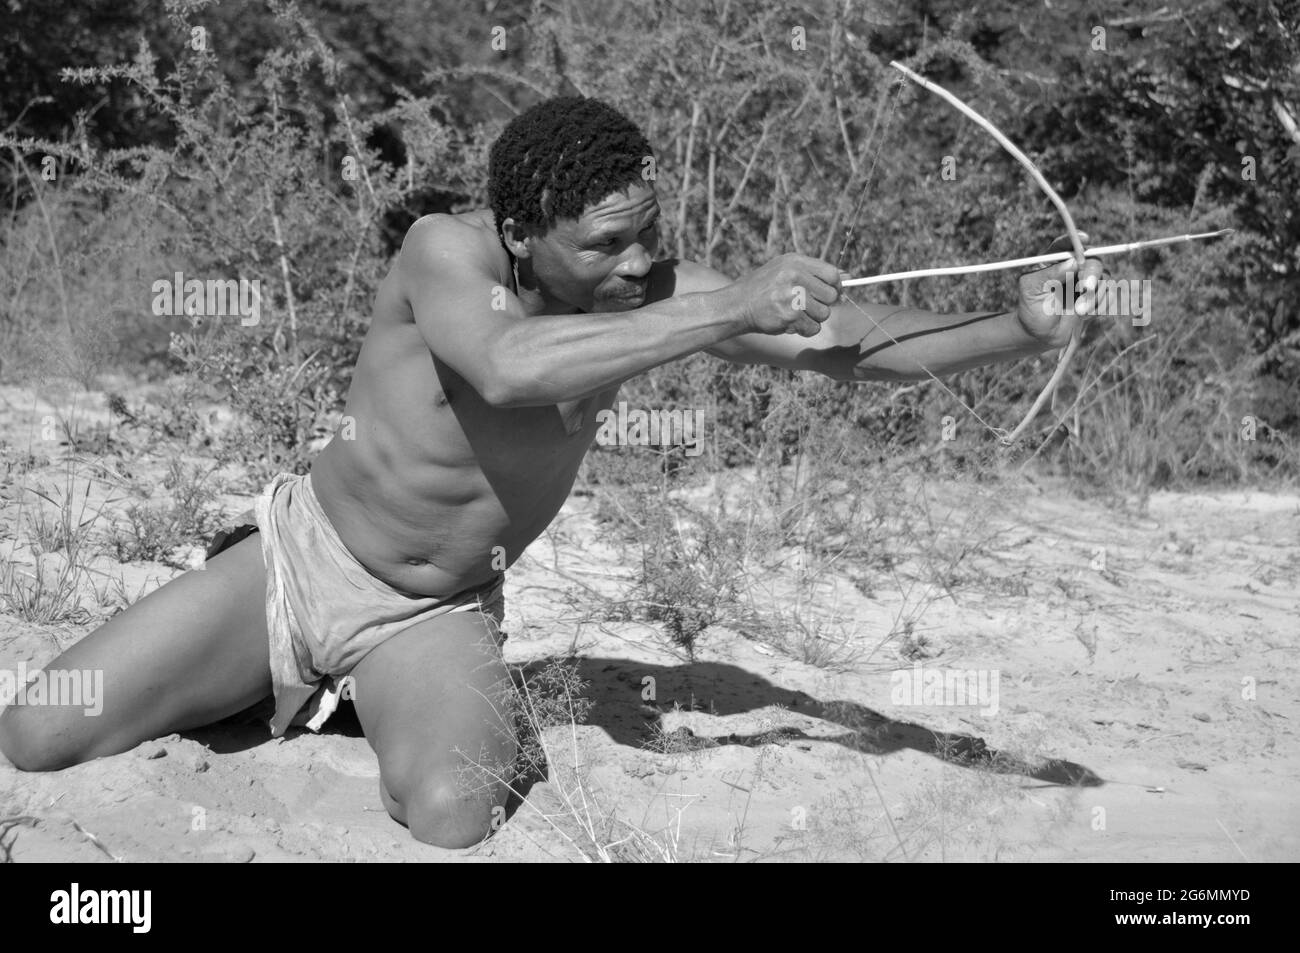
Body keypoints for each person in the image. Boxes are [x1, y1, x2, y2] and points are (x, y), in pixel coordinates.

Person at [0, 96, 1102, 848]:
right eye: (606, 245)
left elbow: (853, 350)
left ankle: (364, 696)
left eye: (648, 237)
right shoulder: (446, 251)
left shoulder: (652, 288)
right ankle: (270, 662)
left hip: (429, 610)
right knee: (41, 730)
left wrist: (1016, 326)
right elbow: (508, 365)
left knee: (448, 811)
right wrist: (721, 307)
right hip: (305, 557)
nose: (635, 265)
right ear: (523, 233)